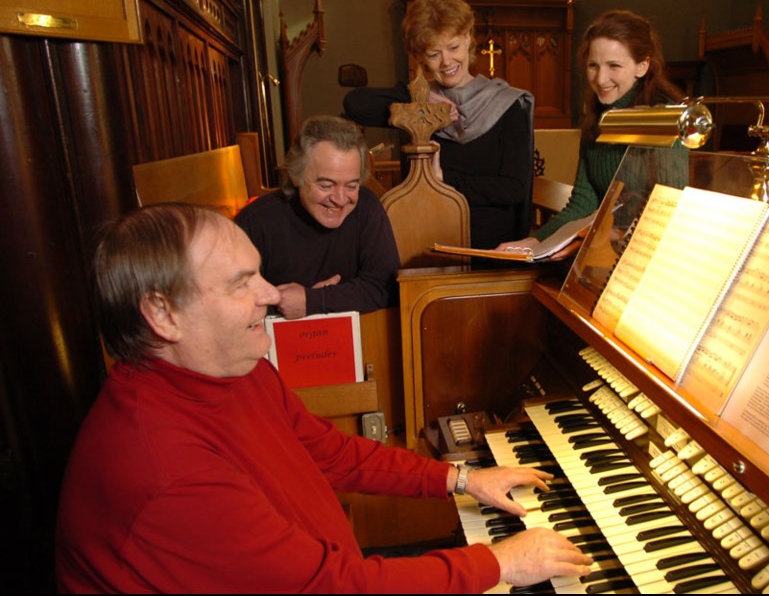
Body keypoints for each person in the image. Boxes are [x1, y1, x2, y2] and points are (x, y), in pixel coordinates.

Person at [55, 202, 593, 593]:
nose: (270, 294)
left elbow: (329, 452)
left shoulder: (231, 368)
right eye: (243, 283)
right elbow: (332, 588)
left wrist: (461, 479)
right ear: (163, 314)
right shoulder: (164, 472)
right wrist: (496, 564)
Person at [343, 0, 534, 250]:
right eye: (434, 53)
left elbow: (515, 189)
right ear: (421, 57)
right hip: (427, 240)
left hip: (490, 245)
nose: (446, 62)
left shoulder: (507, 104)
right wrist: (422, 100)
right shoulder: (415, 107)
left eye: (453, 47)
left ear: (468, 39)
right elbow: (355, 104)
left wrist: (444, 179)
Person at [496, 10, 687, 258]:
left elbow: (667, 212)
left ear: (642, 66)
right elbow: (582, 203)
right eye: (593, 66)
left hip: (652, 255)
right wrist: (535, 241)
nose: (600, 78)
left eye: (614, 66)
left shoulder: (664, 121)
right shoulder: (598, 119)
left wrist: (591, 237)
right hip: (607, 250)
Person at [235, 115, 400, 319]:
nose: (340, 199)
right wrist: (284, 305)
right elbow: (232, 304)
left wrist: (313, 300)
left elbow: (386, 288)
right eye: (326, 185)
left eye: (351, 185)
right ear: (297, 176)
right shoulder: (255, 222)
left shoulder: (367, 207)